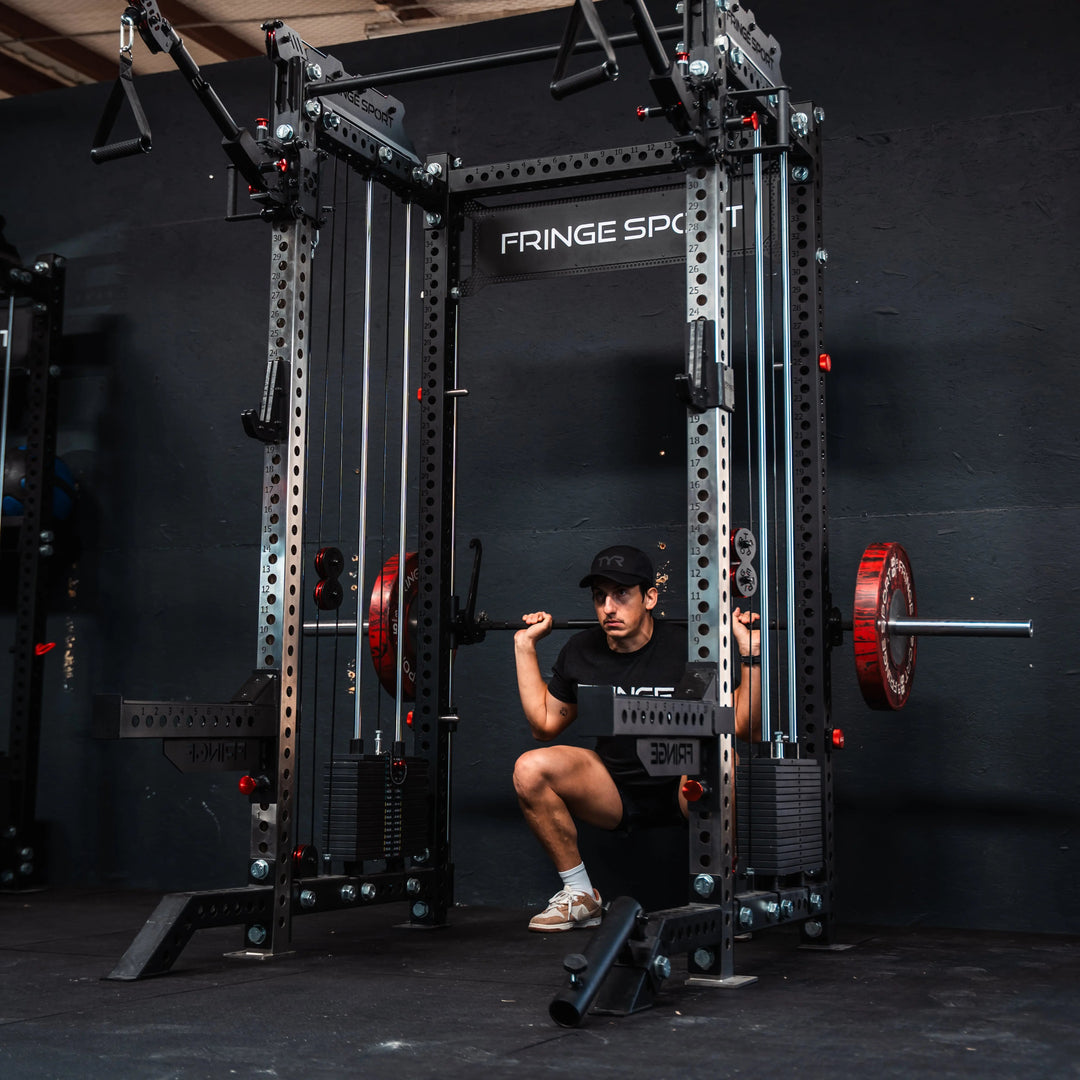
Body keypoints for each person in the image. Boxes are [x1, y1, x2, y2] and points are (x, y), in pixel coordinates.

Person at [513, 544, 762, 932]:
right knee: (530, 769)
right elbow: (544, 724)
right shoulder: (582, 650)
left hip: (684, 784)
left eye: (621, 595)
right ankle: (581, 895)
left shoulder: (689, 647)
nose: (608, 608)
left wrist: (750, 657)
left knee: (725, 758)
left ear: (650, 598)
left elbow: (744, 726)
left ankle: (723, 895)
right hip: (613, 789)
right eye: (600, 597)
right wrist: (524, 646)